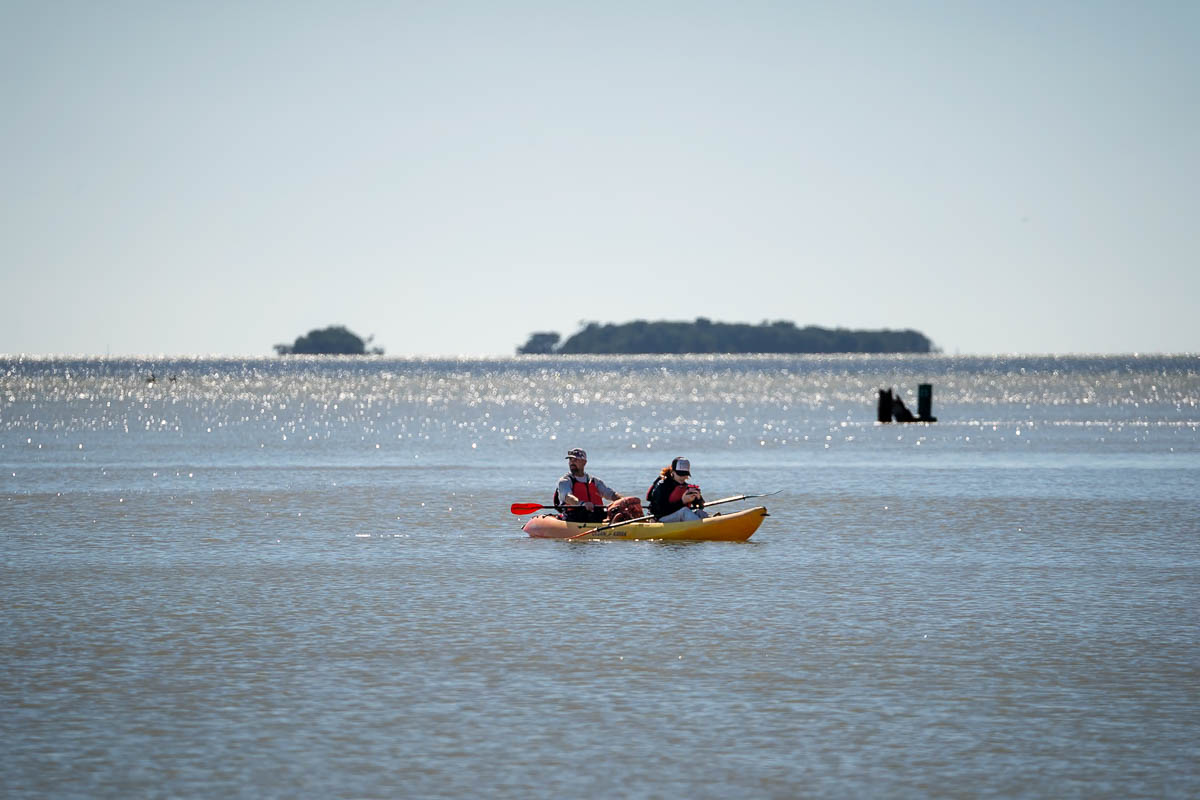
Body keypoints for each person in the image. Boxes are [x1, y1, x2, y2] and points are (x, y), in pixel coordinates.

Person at [553, 448, 622, 523]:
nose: (572, 463)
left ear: (584, 462)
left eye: (575, 460)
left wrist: (623, 500)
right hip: (574, 517)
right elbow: (568, 497)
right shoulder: (564, 481)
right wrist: (582, 504)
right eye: (570, 460)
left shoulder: (595, 481)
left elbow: (611, 494)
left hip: (596, 516)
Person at [646, 456, 710, 522]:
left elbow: (700, 507)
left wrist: (698, 499)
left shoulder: (687, 487)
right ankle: (702, 528)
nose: (683, 477)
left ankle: (711, 526)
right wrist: (682, 501)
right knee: (684, 511)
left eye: (685, 474)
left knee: (700, 512)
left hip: (678, 518)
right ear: (673, 472)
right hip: (660, 519)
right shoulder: (662, 485)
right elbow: (659, 510)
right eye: (680, 474)